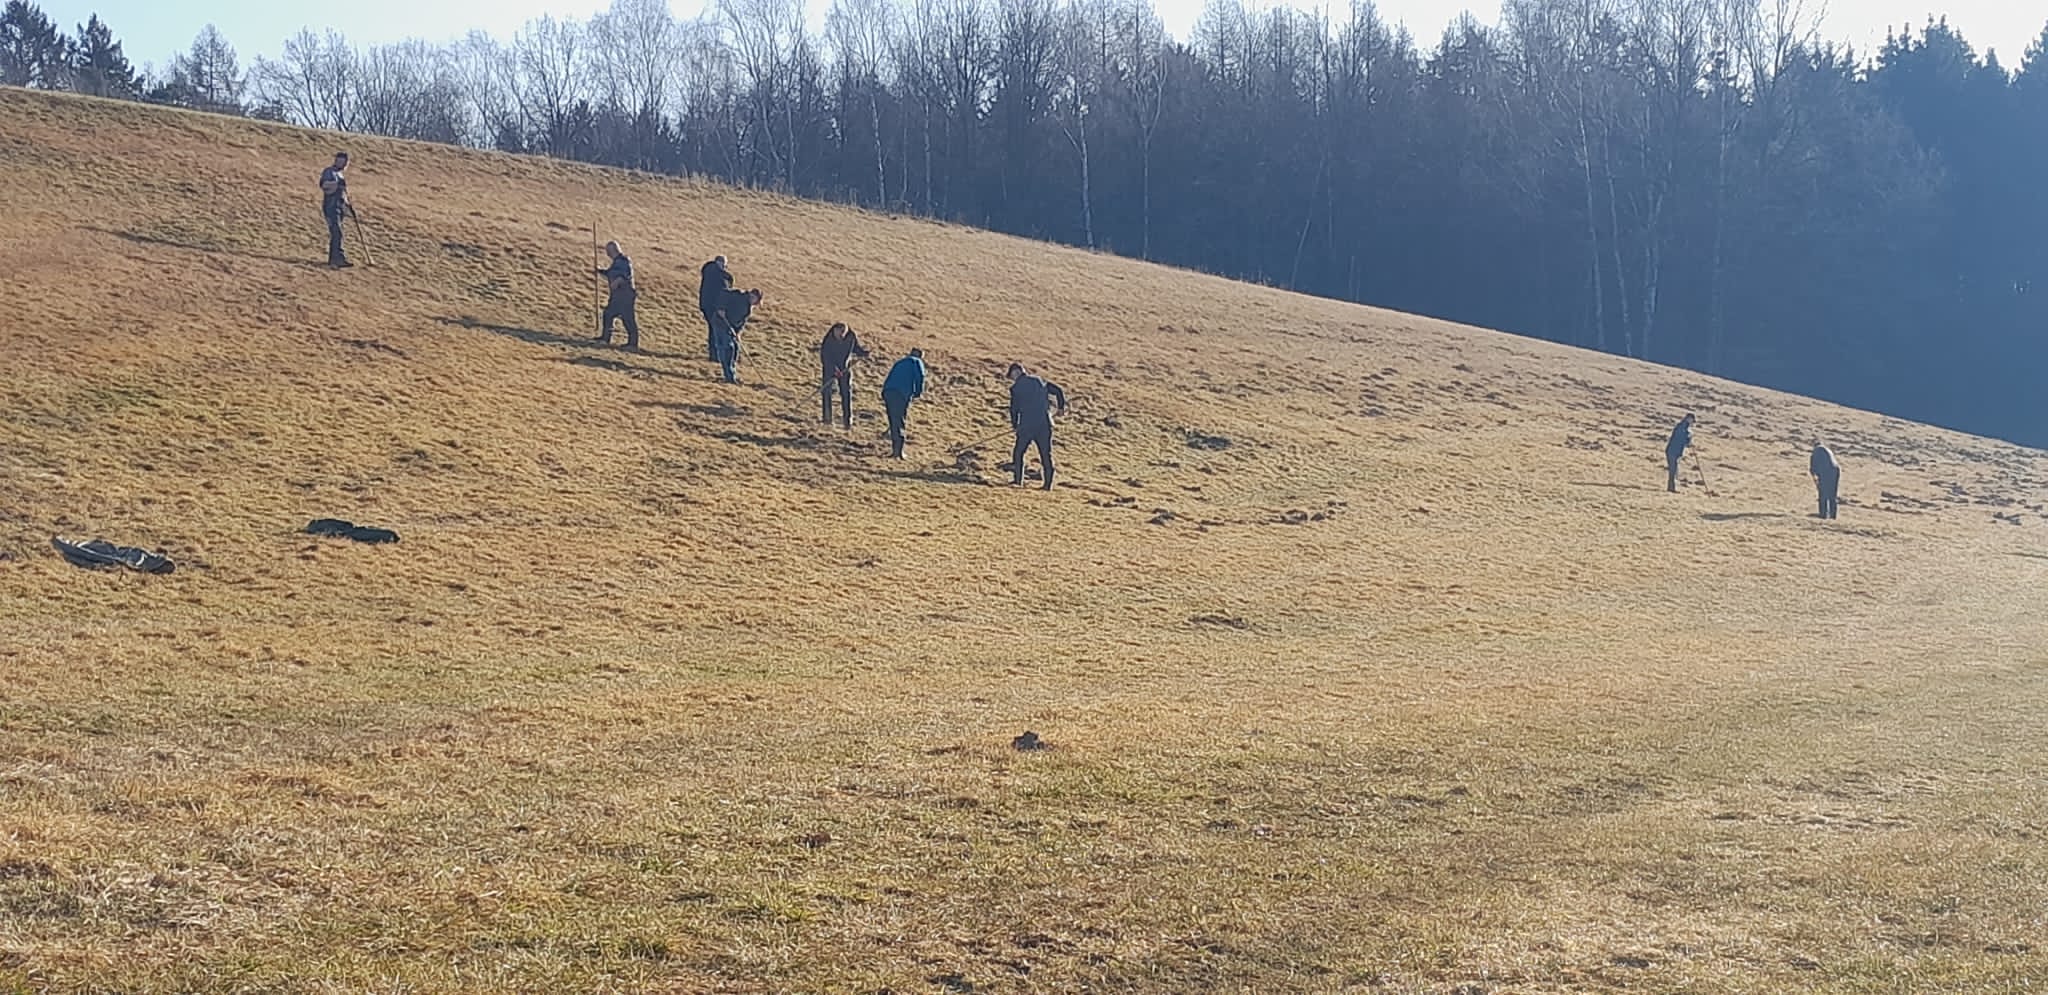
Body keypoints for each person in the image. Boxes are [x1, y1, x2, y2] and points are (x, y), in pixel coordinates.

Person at [1007, 362, 1068, 490]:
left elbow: (1014, 409)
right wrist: (1061, 407)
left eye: (1011, 376)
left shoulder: (1016, 388)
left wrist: (1015, 424)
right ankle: (1047, 485)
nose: (1011, 379)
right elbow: (1058, 391)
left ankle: (1018, 481)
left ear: (1016, 372)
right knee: (1046, 455)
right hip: (1044, 424)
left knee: (1018, 453)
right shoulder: (1040, 381)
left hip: (1026, 426)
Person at [819, 323, 871, 428]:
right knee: (827, 391)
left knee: (846, 393)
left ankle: (847, 421)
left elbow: (855, 348)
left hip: (845, 368)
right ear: (834, 331)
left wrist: (863, 353)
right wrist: (834, 370)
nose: (841, 335)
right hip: (830, 368)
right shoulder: (828, 340)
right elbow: (825, 357)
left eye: (843, 332)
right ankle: (827, 419)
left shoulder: (851, 336)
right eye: (839, 333)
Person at [880, 348, 927, 459]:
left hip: (888, 392)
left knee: (893, 420)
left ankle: (895, 449)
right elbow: (920, 377)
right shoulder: (916, 362)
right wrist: (918, 393)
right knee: (899, 421)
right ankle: (898, 452)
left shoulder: (900, 362)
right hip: (900, 394)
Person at [712, 287, 763, 384]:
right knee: (727, 349)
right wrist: (721, 308)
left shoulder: (748, 309)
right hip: (720, 323)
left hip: (731, 328)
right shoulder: (738, 295)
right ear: (751, 295)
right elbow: (723, 294)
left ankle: (732, 374)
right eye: (755, 299)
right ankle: (729, 376)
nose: (755, 302)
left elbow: (741, 322)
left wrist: (738, 333)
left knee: (735, 349)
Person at [594, 241, 639, 350]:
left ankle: (633, 343)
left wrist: (616, 282)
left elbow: (624, 275)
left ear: (612, 250)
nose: (607, 253)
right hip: (617, 296)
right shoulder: (616, 262)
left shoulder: (624, 261)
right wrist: (600, 271)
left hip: (625, 296)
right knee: (608, 314)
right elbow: (611, 273)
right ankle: (605, 338)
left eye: (607, 251)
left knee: (627, 318)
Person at [319, 152, 351, 268]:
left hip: (339, 207)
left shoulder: (340, 174)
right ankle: (335, 259)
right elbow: (324, 185)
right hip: (331, 206)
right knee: (336, 232)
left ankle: (338, 258)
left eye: (345, 162)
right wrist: (336, 184)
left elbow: (343, 193)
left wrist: (347, 206)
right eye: (341, 161)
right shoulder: (329, 172)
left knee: (338, 233)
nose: (343, 164)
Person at [699, 256, 733, 361]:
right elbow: (724, 293)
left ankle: (714, 353)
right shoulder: (721, 278)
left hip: (704, 304)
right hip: (715, 306)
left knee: (712, 328)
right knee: (716, 330)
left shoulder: (707, 271)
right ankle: (716, 355)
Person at [1664, 413, 1695, 493]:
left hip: (1675, 451)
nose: (1692, 423)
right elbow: (1681, 438)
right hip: (1672, 451)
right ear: (1688, 418)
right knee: (1673, 470)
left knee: (1674, 470)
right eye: (1692, 420)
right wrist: (1688, 438)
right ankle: (1671, 488)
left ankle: (1672, 487)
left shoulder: (1684, 427)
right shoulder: (1682, 427)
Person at [1810, 442, 1841, 519]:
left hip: (1826, 471)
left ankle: (1823, 514)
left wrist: (1816, 478)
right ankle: (1833, 515)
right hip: (1835, 470)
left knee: (1823, 494)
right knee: (1832, 494)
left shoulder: (1816, 451)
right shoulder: (1828, 450)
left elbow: (1813, 467)